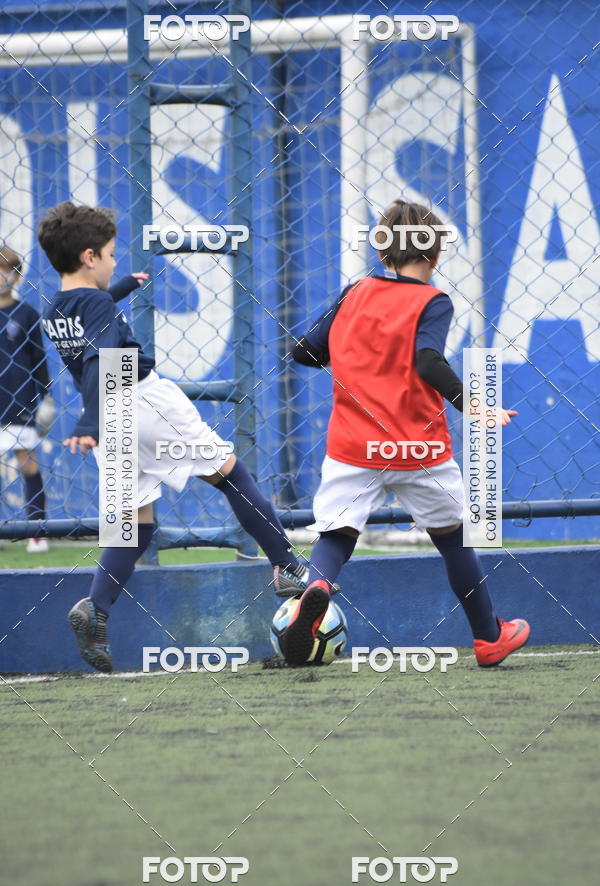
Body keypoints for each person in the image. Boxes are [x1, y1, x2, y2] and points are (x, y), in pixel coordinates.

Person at [38, 201, 308, 672]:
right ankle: (286, 565)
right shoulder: (97, 304)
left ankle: (96, 608)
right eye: (110, 254)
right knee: (230, 474)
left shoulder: (56, 309)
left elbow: (90, 327)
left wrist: (121, 289)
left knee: (135, 525)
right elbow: (104, 355)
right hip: (140, 400)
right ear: (88, 257)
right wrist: (87, 421)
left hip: (111, 423)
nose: (115, 260)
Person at [284, 198, 530, 667]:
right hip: (419, 447)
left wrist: (355, 355)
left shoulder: (352, 292)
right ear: (435, 257)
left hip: (354, 446)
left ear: (381, 253)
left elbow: (304, 352)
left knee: (336, 535)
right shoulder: (433, 301)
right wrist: (473, 405)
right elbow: (427, 360)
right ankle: (488, 637)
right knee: (454, 538)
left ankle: (315, 586)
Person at [0, 245, 55, 552]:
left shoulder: (27, 313)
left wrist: (46, 397)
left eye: (6, 270)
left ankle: (37, 530)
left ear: (17, 276)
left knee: (28, 465)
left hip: (19, 401)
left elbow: (38, 359)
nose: (1, 277)